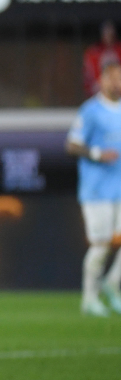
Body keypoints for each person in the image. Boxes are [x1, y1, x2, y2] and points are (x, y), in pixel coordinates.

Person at [66, 56, 121, 317]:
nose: (117, 80)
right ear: (103, 79)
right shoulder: (91, 111)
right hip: (97, 189)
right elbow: (71, 144)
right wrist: (98, 154)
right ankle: (89, 299)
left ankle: (111, 285)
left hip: (120, 187)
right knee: (101, 245)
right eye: (113, 75)